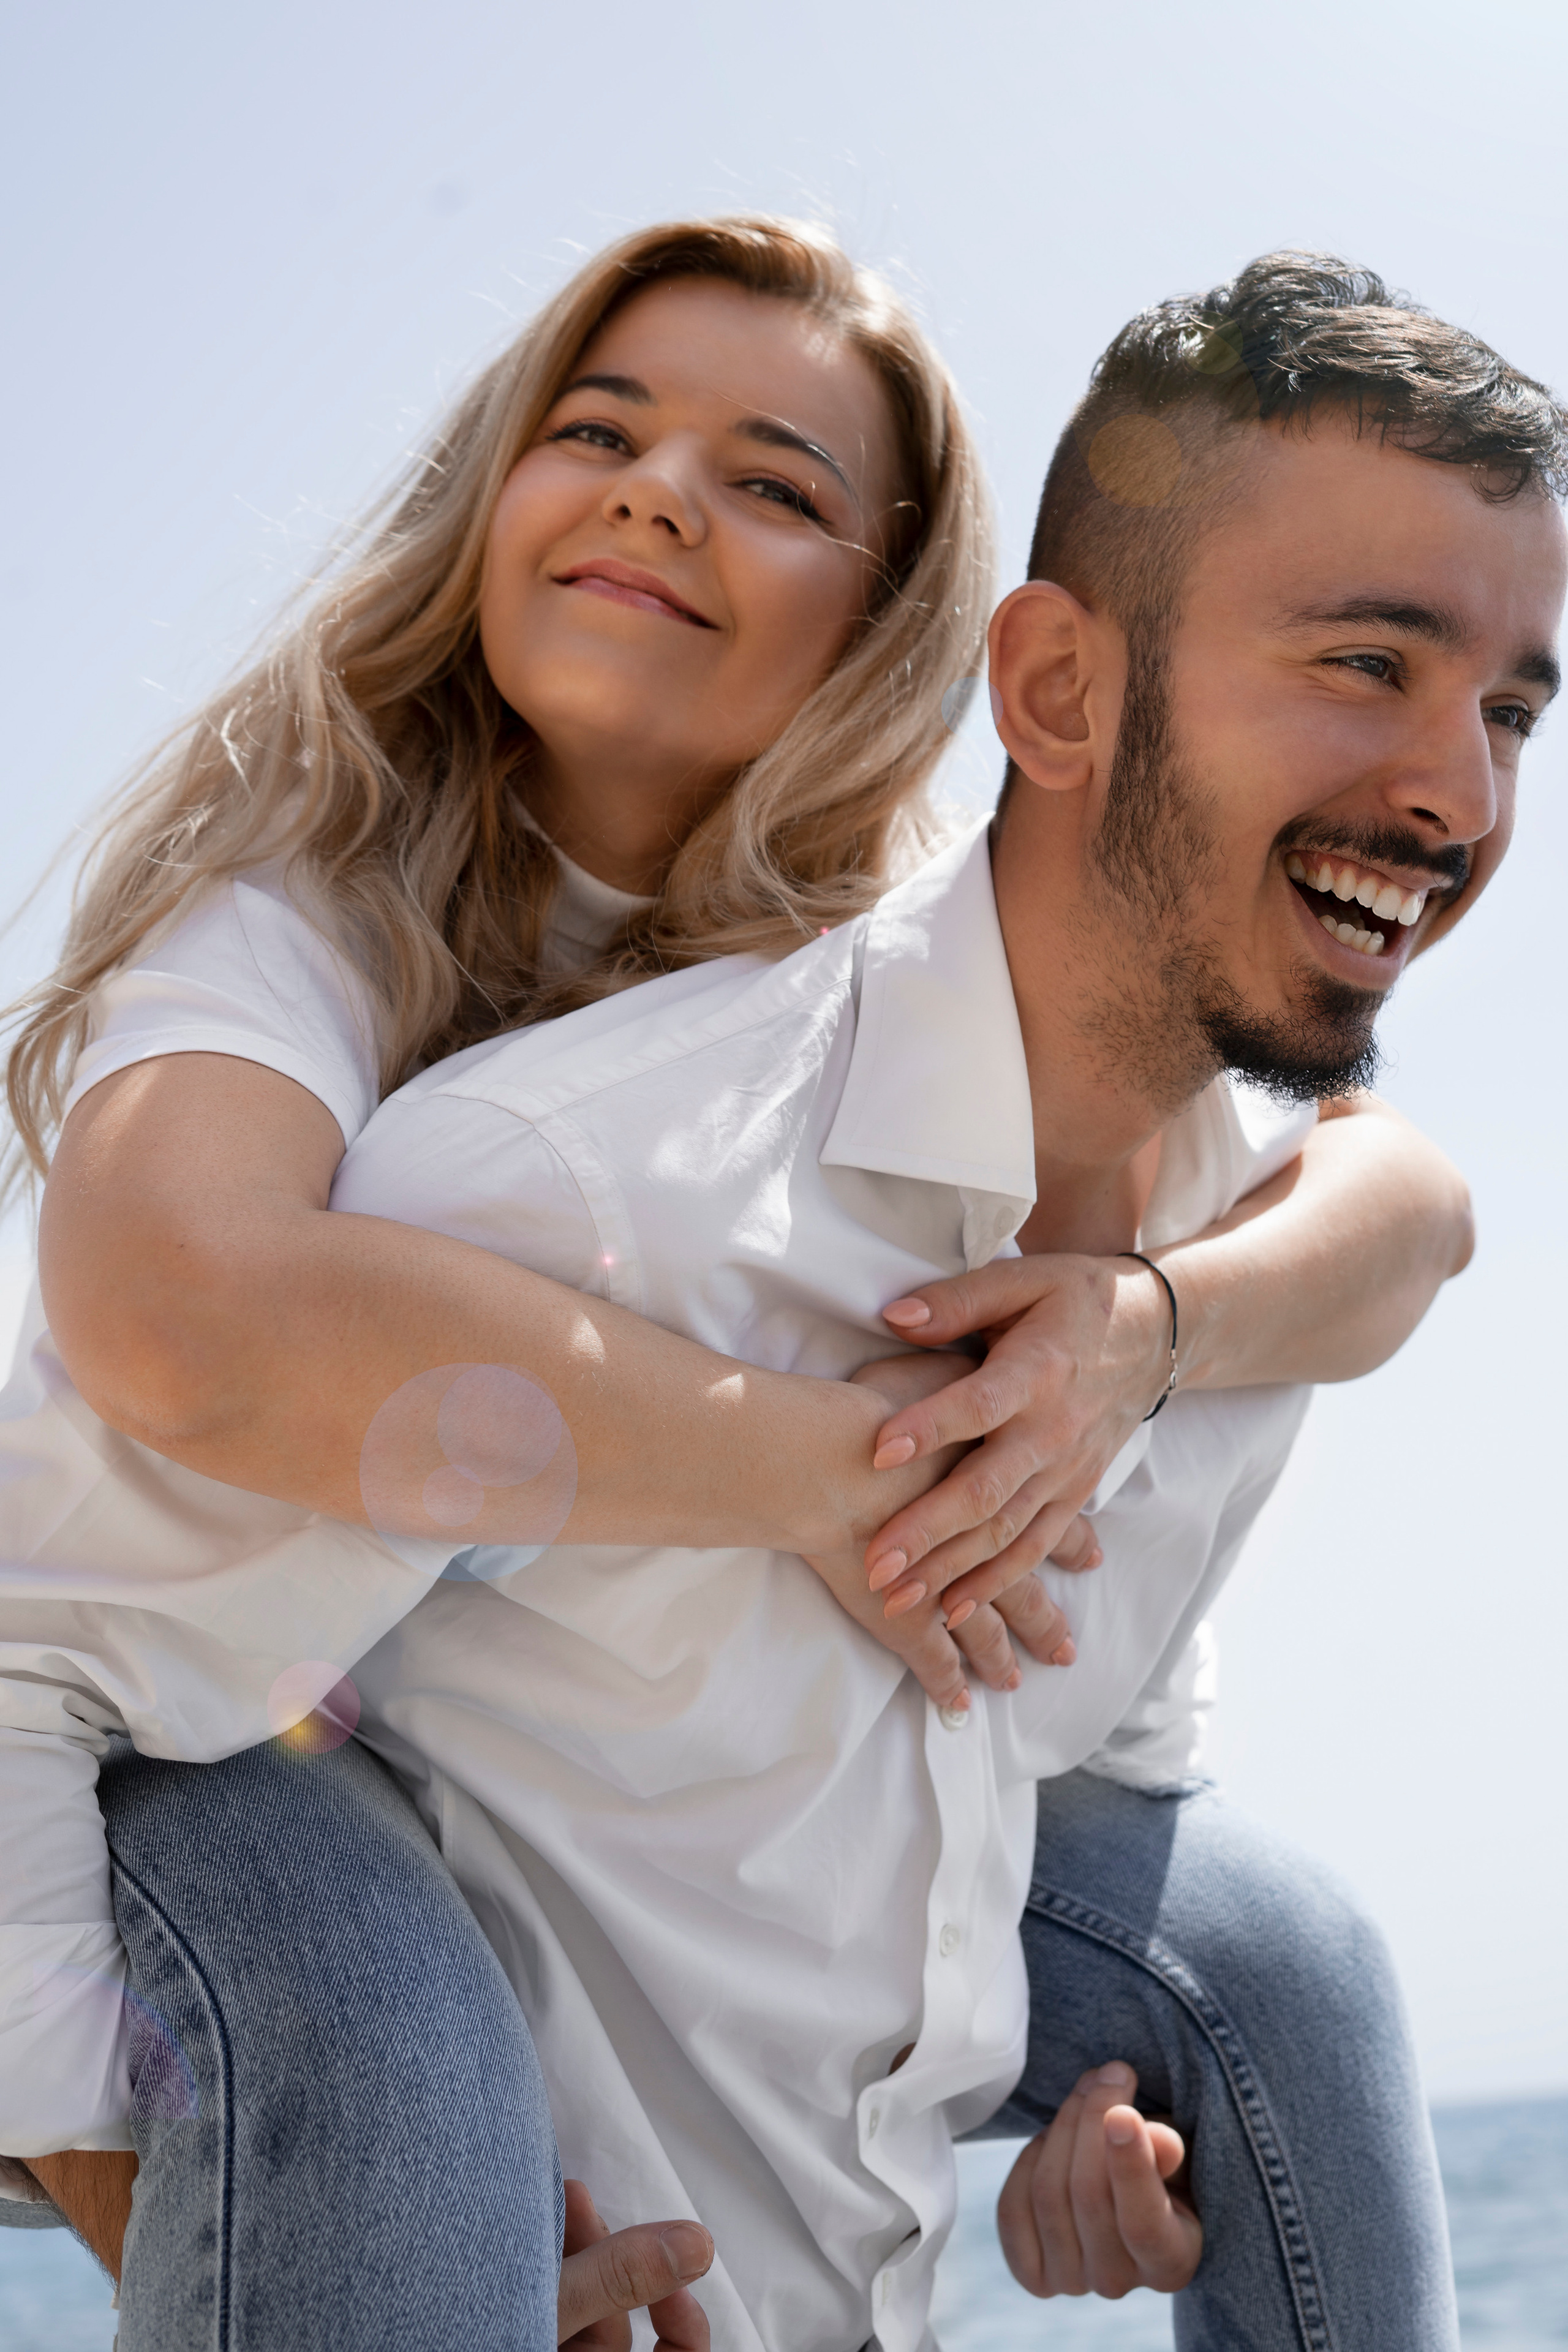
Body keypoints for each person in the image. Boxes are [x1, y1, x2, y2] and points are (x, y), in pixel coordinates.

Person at [0, 235, 1495, 2348]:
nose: (655, 491)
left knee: (1282, 1963)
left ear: (901, 640)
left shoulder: (887, 987)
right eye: (596, 431)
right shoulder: (313, 914)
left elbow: (1405, 1201)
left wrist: (1137, 1335)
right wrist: (851, 1473)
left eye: (776, 482)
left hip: (512, 1688)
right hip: (204, 1720)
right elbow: (181, 1302)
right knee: (378, 2014)